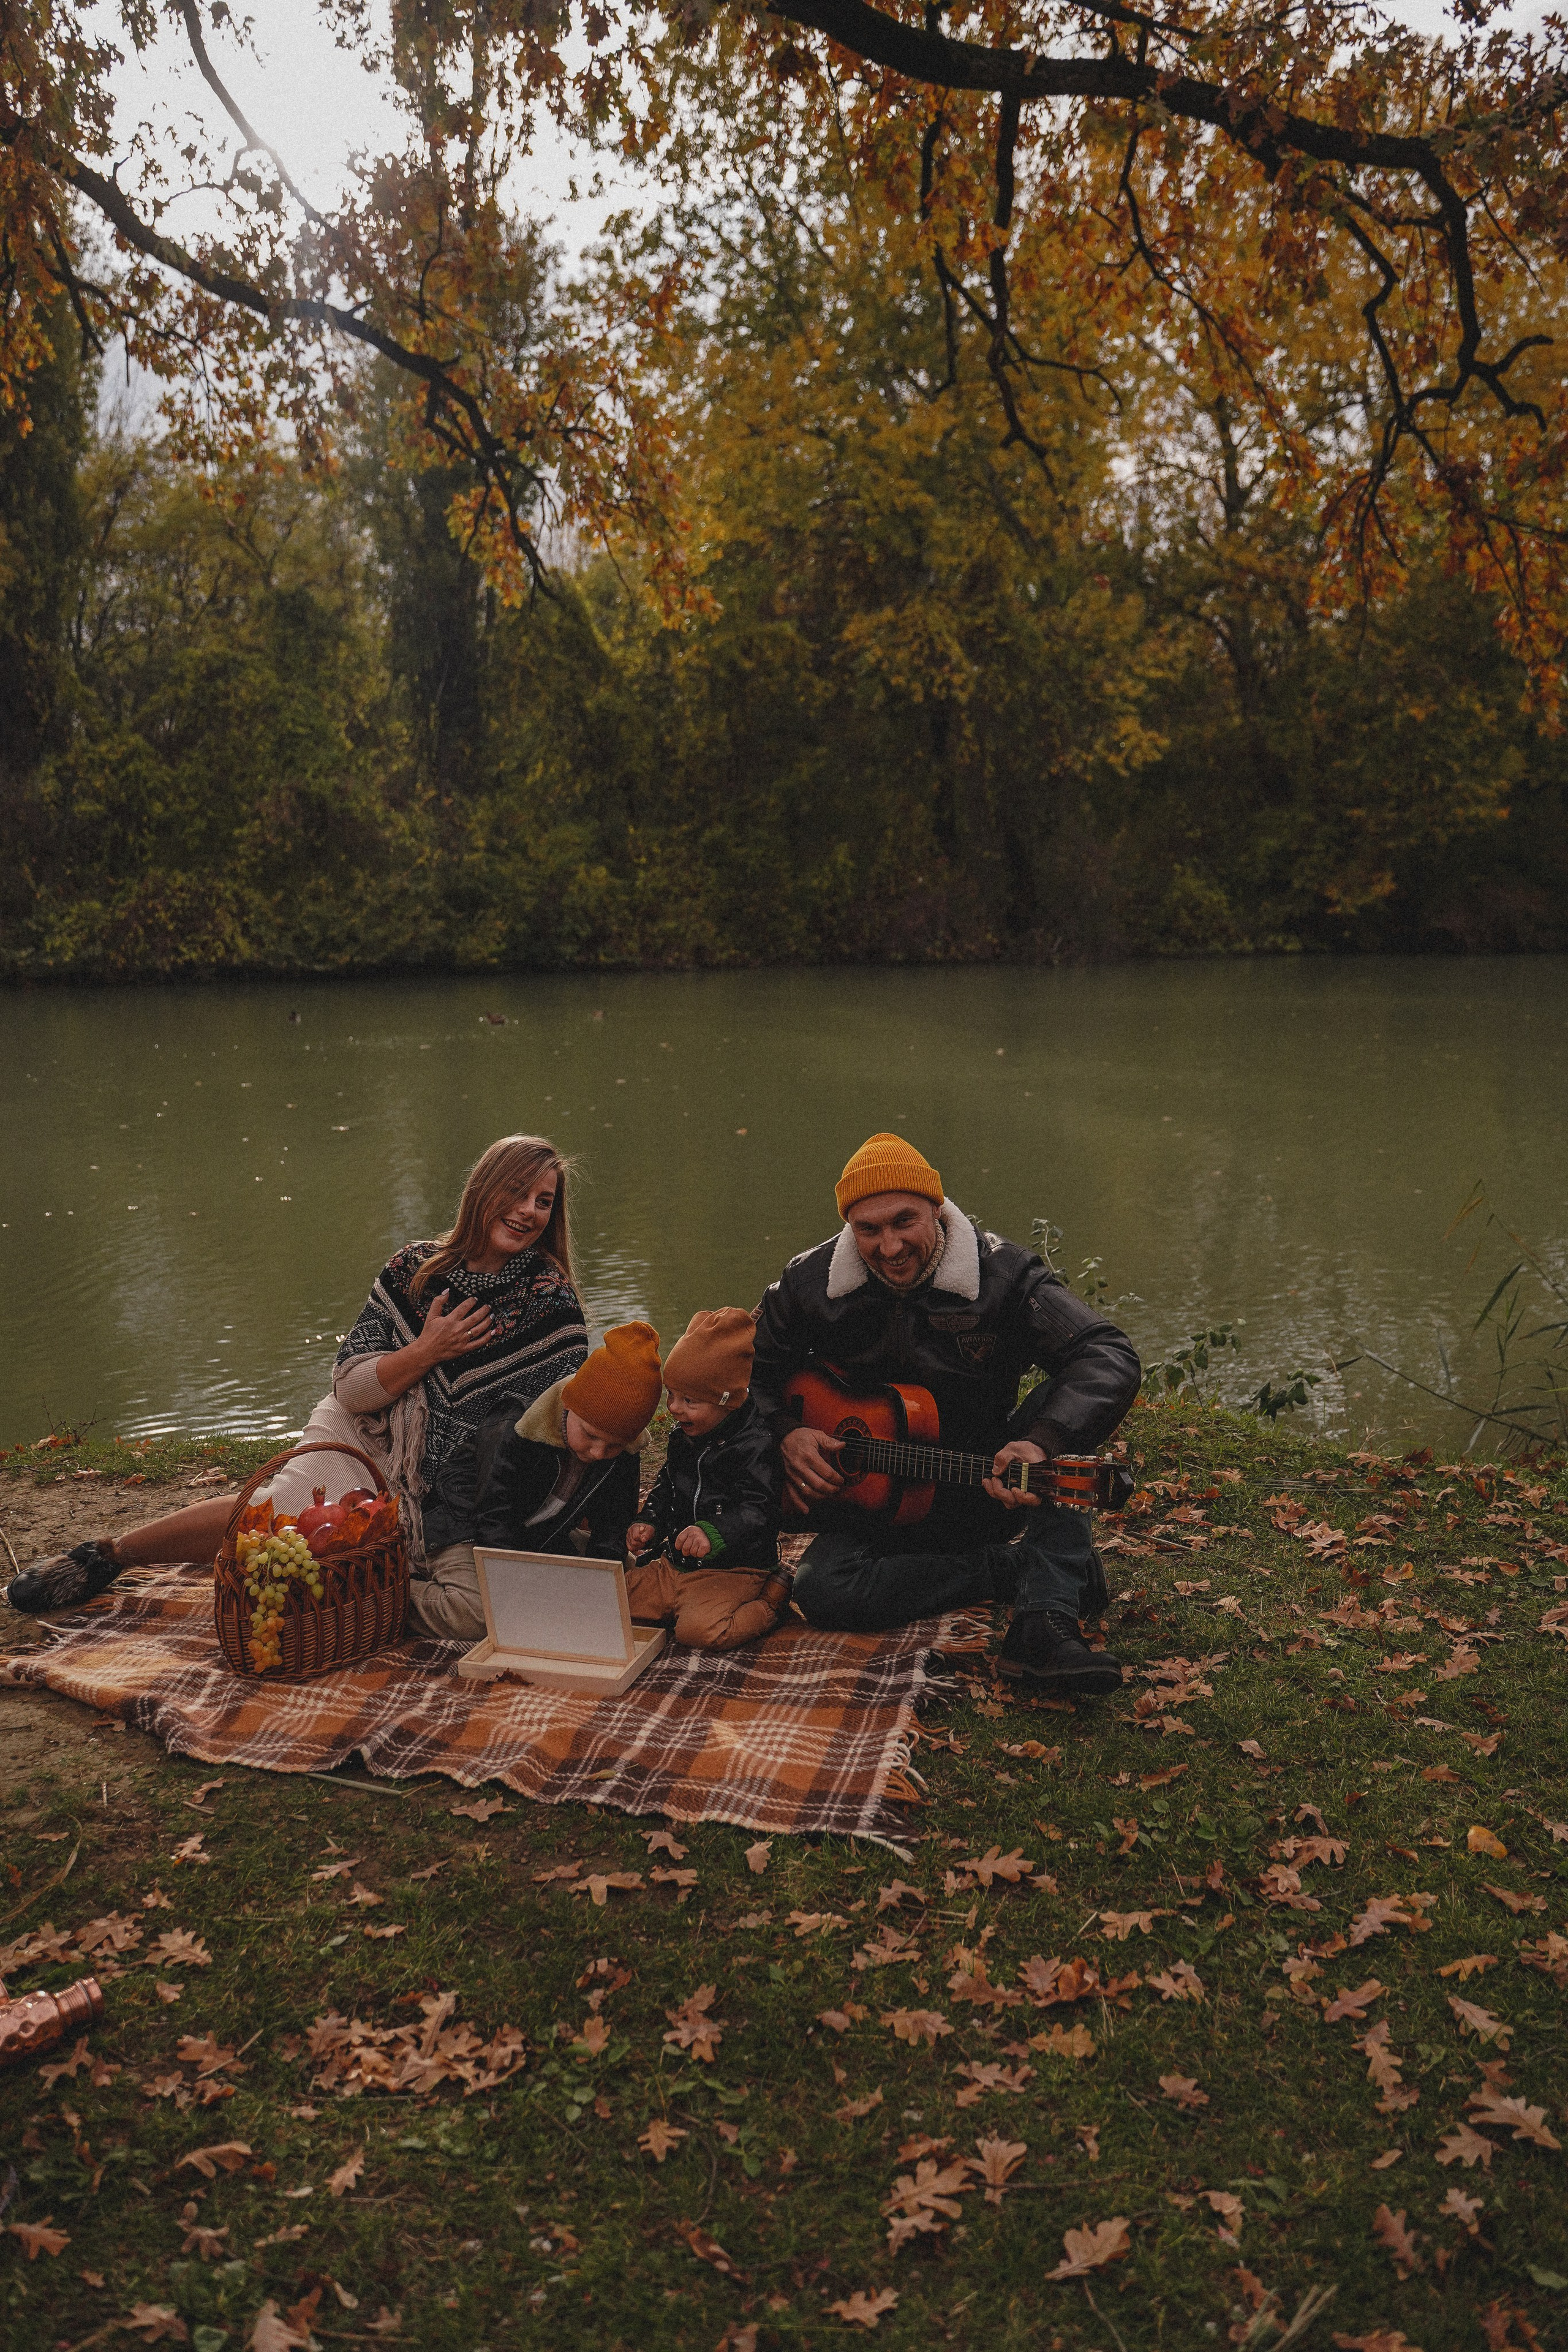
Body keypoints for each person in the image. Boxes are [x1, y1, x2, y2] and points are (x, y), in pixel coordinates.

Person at [5, 1136, 589, 1638]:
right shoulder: (415, 1270)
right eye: (517, 1192)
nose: (528, 1211)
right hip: (366, 1429)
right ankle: (106, 1557)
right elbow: (353, 1388)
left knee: (371, 1558)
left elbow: (559, 1424)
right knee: (282, 1511)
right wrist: (425, 1352)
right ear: (483, 1191)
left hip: (463, 1486)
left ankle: (366, 1584)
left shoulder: (550, 1301)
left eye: (543, 1201)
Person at [750, 1131, 1142, 1692]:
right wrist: (786, 1432)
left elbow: (1107, 1354)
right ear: (849, 1227)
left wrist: (1041, 1441)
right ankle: (1015, 1569)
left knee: (1064, 1415)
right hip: (879, 1500)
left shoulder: (1005, 1275)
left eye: (904, 1221)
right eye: (869, 1229)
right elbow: (749, 1368)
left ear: (937, 1209)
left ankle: (1044, 1622)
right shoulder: (809, 1283)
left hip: (989, 1485)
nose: (889, 1247)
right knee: (821, 1590)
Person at [469, 1321, 662, 1638]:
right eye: (590, 1435)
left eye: (614, 1445)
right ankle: (409, 1595)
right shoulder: (516, 1429)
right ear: (569, 1405)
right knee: (483, 1616)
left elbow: (613, 1523)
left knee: (625, 1574)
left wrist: (599, 1582)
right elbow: (492, 1519)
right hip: (468, 1533)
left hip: (542, 1536)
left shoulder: (623, 1450)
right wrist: (524, 1582)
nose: (600, 1452)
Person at [623, 1310, 788, 1653]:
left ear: (726, 1401)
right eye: (672, 1395)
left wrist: (713, 1533)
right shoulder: (683, 1437)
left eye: (690, 1400)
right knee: (615, 1600)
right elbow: (668, 1483)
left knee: (699, 1633)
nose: (675, 1408)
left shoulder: (755, 1445)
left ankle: (772, 1598)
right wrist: (649, 1520)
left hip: (734, 1569)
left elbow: (762, 1510)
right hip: (676, 1563)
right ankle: (678, 1603)